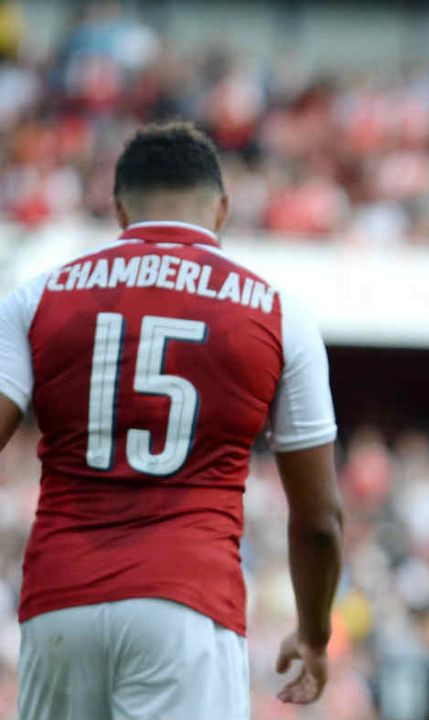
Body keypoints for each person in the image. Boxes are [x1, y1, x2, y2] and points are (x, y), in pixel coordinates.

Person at [0, 121, 343, 719]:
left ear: (118, 210)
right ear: (222, 209)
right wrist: (314, 633)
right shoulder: (278, 312)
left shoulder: (37, 297)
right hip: (188, 600)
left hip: (60, 598)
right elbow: (318, 520)